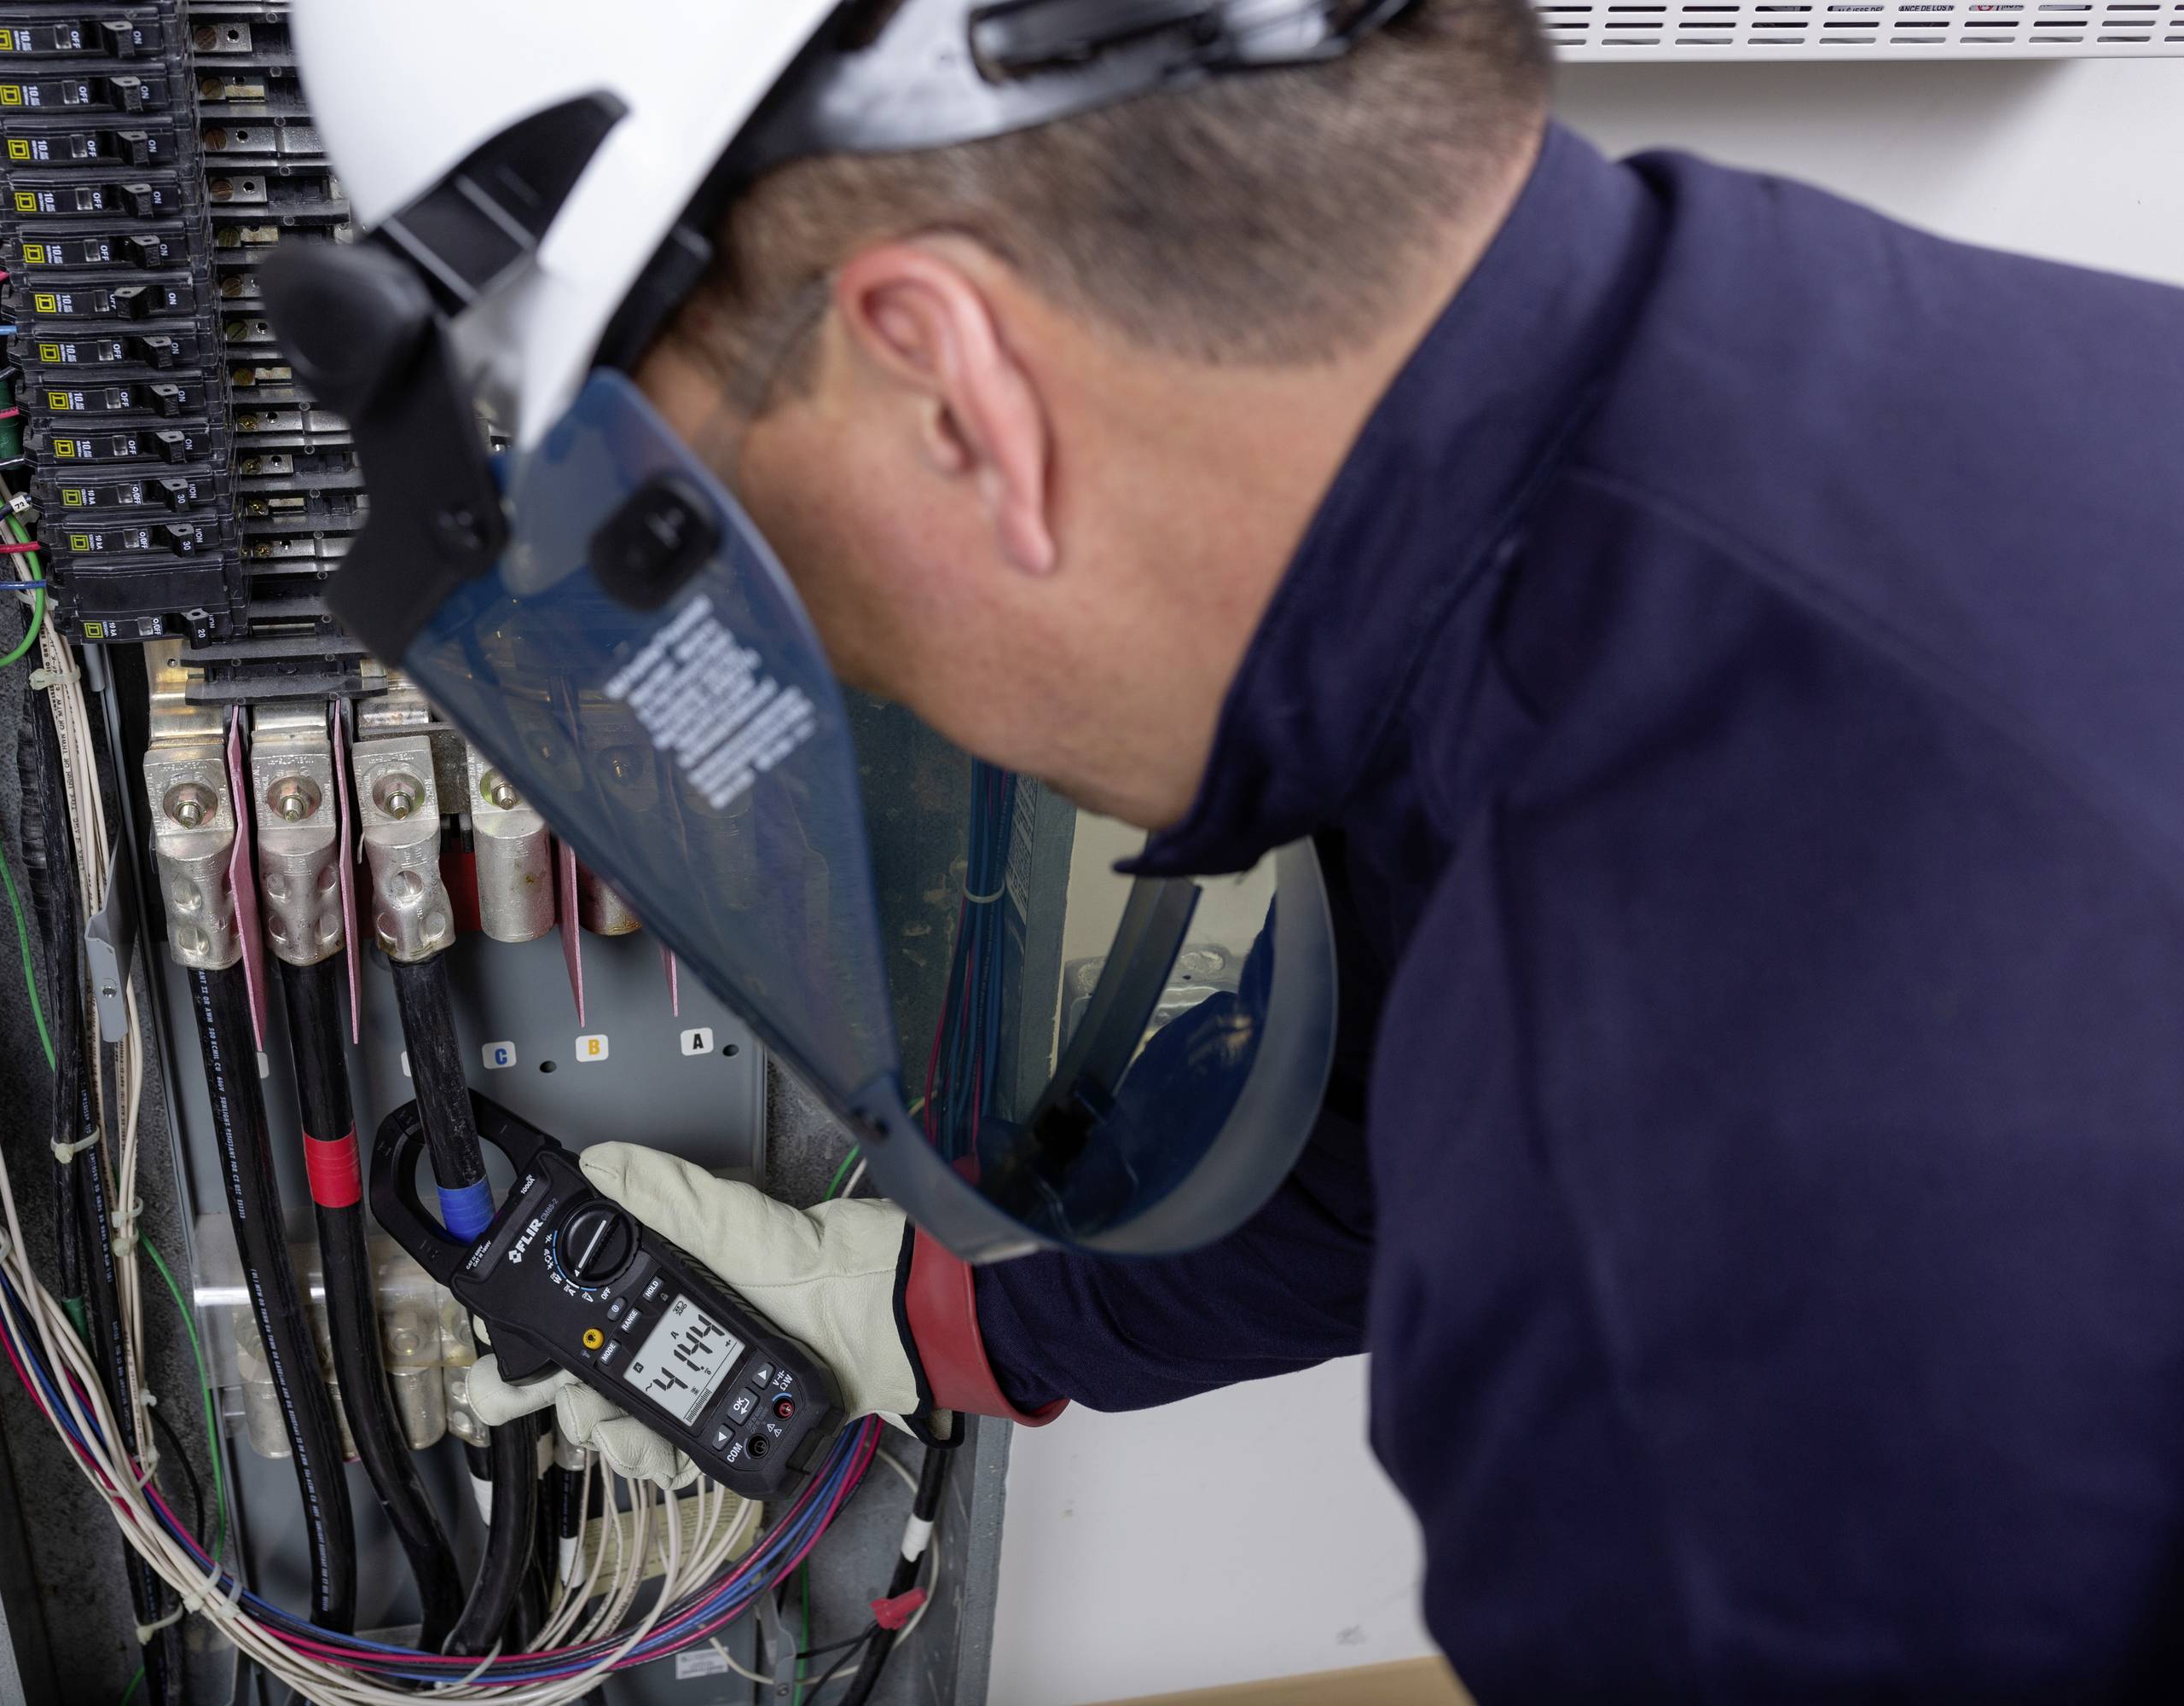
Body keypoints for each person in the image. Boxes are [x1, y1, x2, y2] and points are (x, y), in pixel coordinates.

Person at [296, 0, 2184, 1693]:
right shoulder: (1819, 382)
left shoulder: (1670, 1283)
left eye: (767, 566)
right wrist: (898, 1314)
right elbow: (1363, 1109)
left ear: (955, 395)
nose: (863, 676)